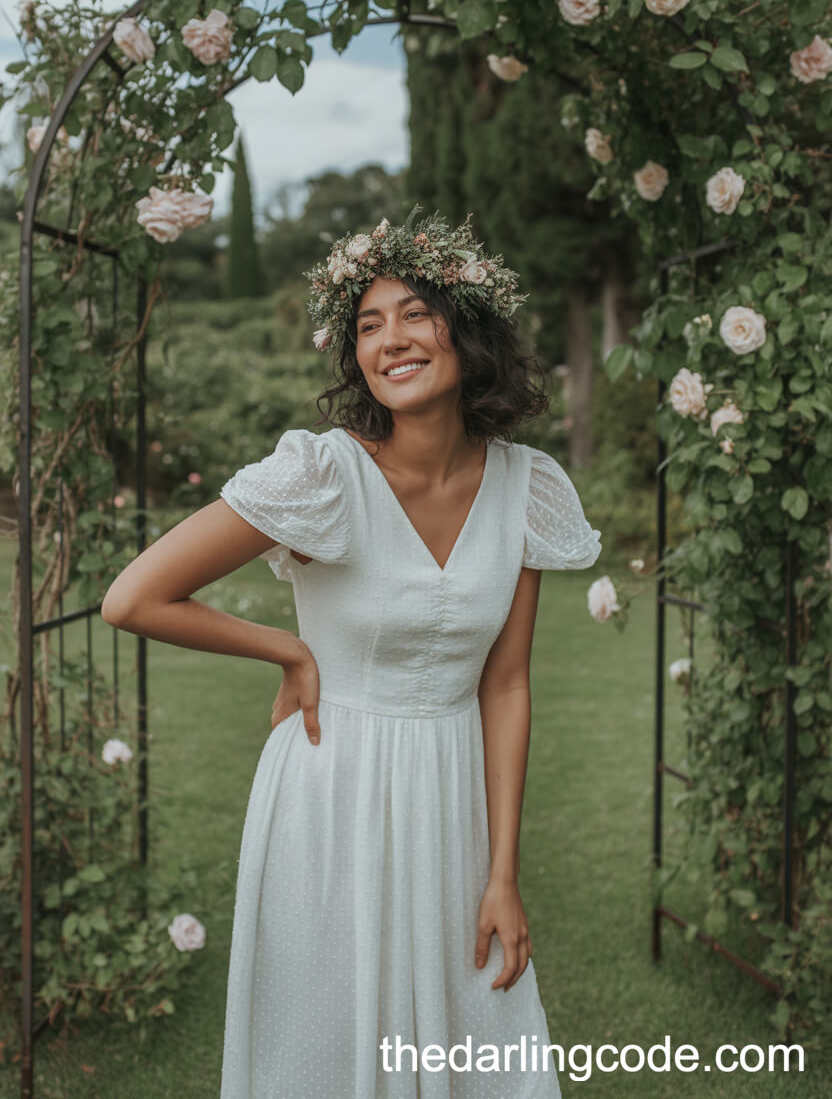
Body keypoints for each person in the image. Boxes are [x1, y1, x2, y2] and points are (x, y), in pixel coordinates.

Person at [101, 209, 602, 1097]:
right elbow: (134, 597)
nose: (392, 340)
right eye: (368, 324)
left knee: (472, 1036)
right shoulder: (324, 475)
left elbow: (508, 683)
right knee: (329, 1043)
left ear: (467, 328)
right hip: (330, 799)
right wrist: (289, 651)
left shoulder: (528, 488)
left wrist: (503, 874)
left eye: (415, 313)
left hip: (454, 802)